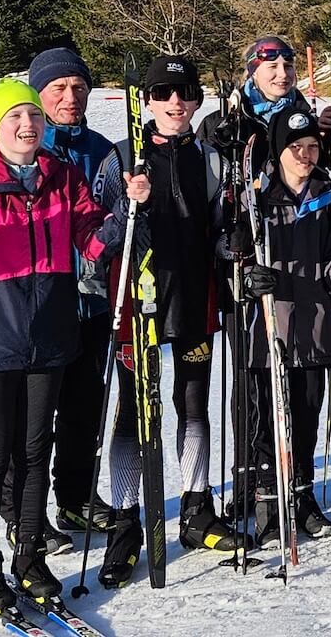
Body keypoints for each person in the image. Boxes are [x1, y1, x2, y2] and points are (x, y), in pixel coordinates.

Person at [0, 79, 129, 612]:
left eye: (32, 117)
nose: (27, 125)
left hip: (48, 337)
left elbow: (91, 240)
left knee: (37, 453)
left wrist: (125, 215)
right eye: (14, 116)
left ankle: (30, 557)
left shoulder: (63, 177)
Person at [90, 56, 244, 587]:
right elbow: (94, 238)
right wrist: (123, 211)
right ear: (147, 102)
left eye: (184, 94)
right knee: (134, 409)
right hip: (138, 300)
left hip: (193, 299)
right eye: (163, 94)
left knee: (193, 403)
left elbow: (221, 227)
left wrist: (233, 245)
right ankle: (127, 521)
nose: (175, 103)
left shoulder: (210, 157)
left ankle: (197, 508)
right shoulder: (119, 158)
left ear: (196, 101)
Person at [232, 108, 331, 546]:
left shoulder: (327, 193)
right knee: (268, 420)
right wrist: (245, 277)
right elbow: (233, 258)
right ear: (278, 152)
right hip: (270, 330)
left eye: (312, 147)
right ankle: (269, 501)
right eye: (295, 148)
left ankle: (302, 497)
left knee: (308, 417)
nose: (304, 155)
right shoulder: (258, 198)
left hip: (316, 327)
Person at [24, 47, 123, 550]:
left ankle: (76, 496)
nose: (70, 97)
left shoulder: (104, 150)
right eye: (58, 88)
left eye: (78, 87)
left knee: (84, 407)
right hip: (39, 303)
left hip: (92, 301)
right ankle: (27, 512)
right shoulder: (23, 145)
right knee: (36, 416)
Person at [200, 35, 331, 174]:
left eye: (288, 66)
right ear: (254, 72)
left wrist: (329, 136)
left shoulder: (308, 120)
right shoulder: (220, 122)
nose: (283, 74)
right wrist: (220, 139)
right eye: (272, 66)